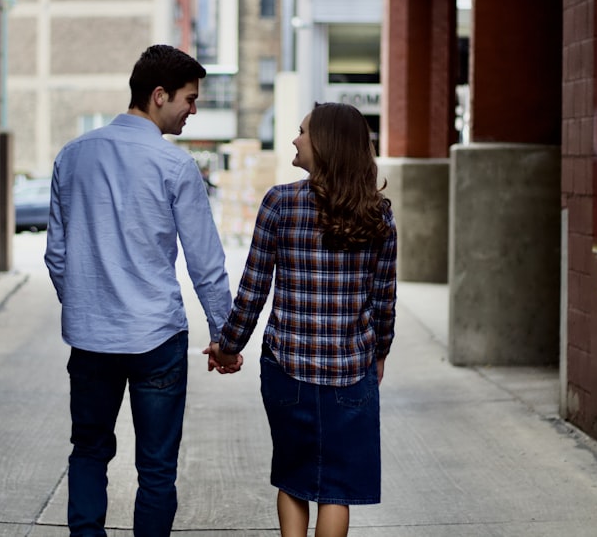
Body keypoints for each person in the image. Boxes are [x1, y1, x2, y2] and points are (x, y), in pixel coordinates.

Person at [45, 44, 241, 537]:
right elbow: (207, 265)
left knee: (88, 451)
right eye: (189, 99)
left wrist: (87, 305)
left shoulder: (72, 156)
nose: (194, 110)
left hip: (91, 342)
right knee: (156, 469)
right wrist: (226, 337)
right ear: (159, 96)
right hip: (156, 340)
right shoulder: (174, 167)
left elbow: (56, 255)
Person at [210, 102, 397, 537]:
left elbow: (253, 291)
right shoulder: (378, 213)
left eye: (302, 132)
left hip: (287, 371)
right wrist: (379, 353)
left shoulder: (280, 203)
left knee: (293, 478)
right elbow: (384, 299)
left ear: (326, 145)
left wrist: (227, 345)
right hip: (351, 372)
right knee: (336, 489)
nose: (295, 139)